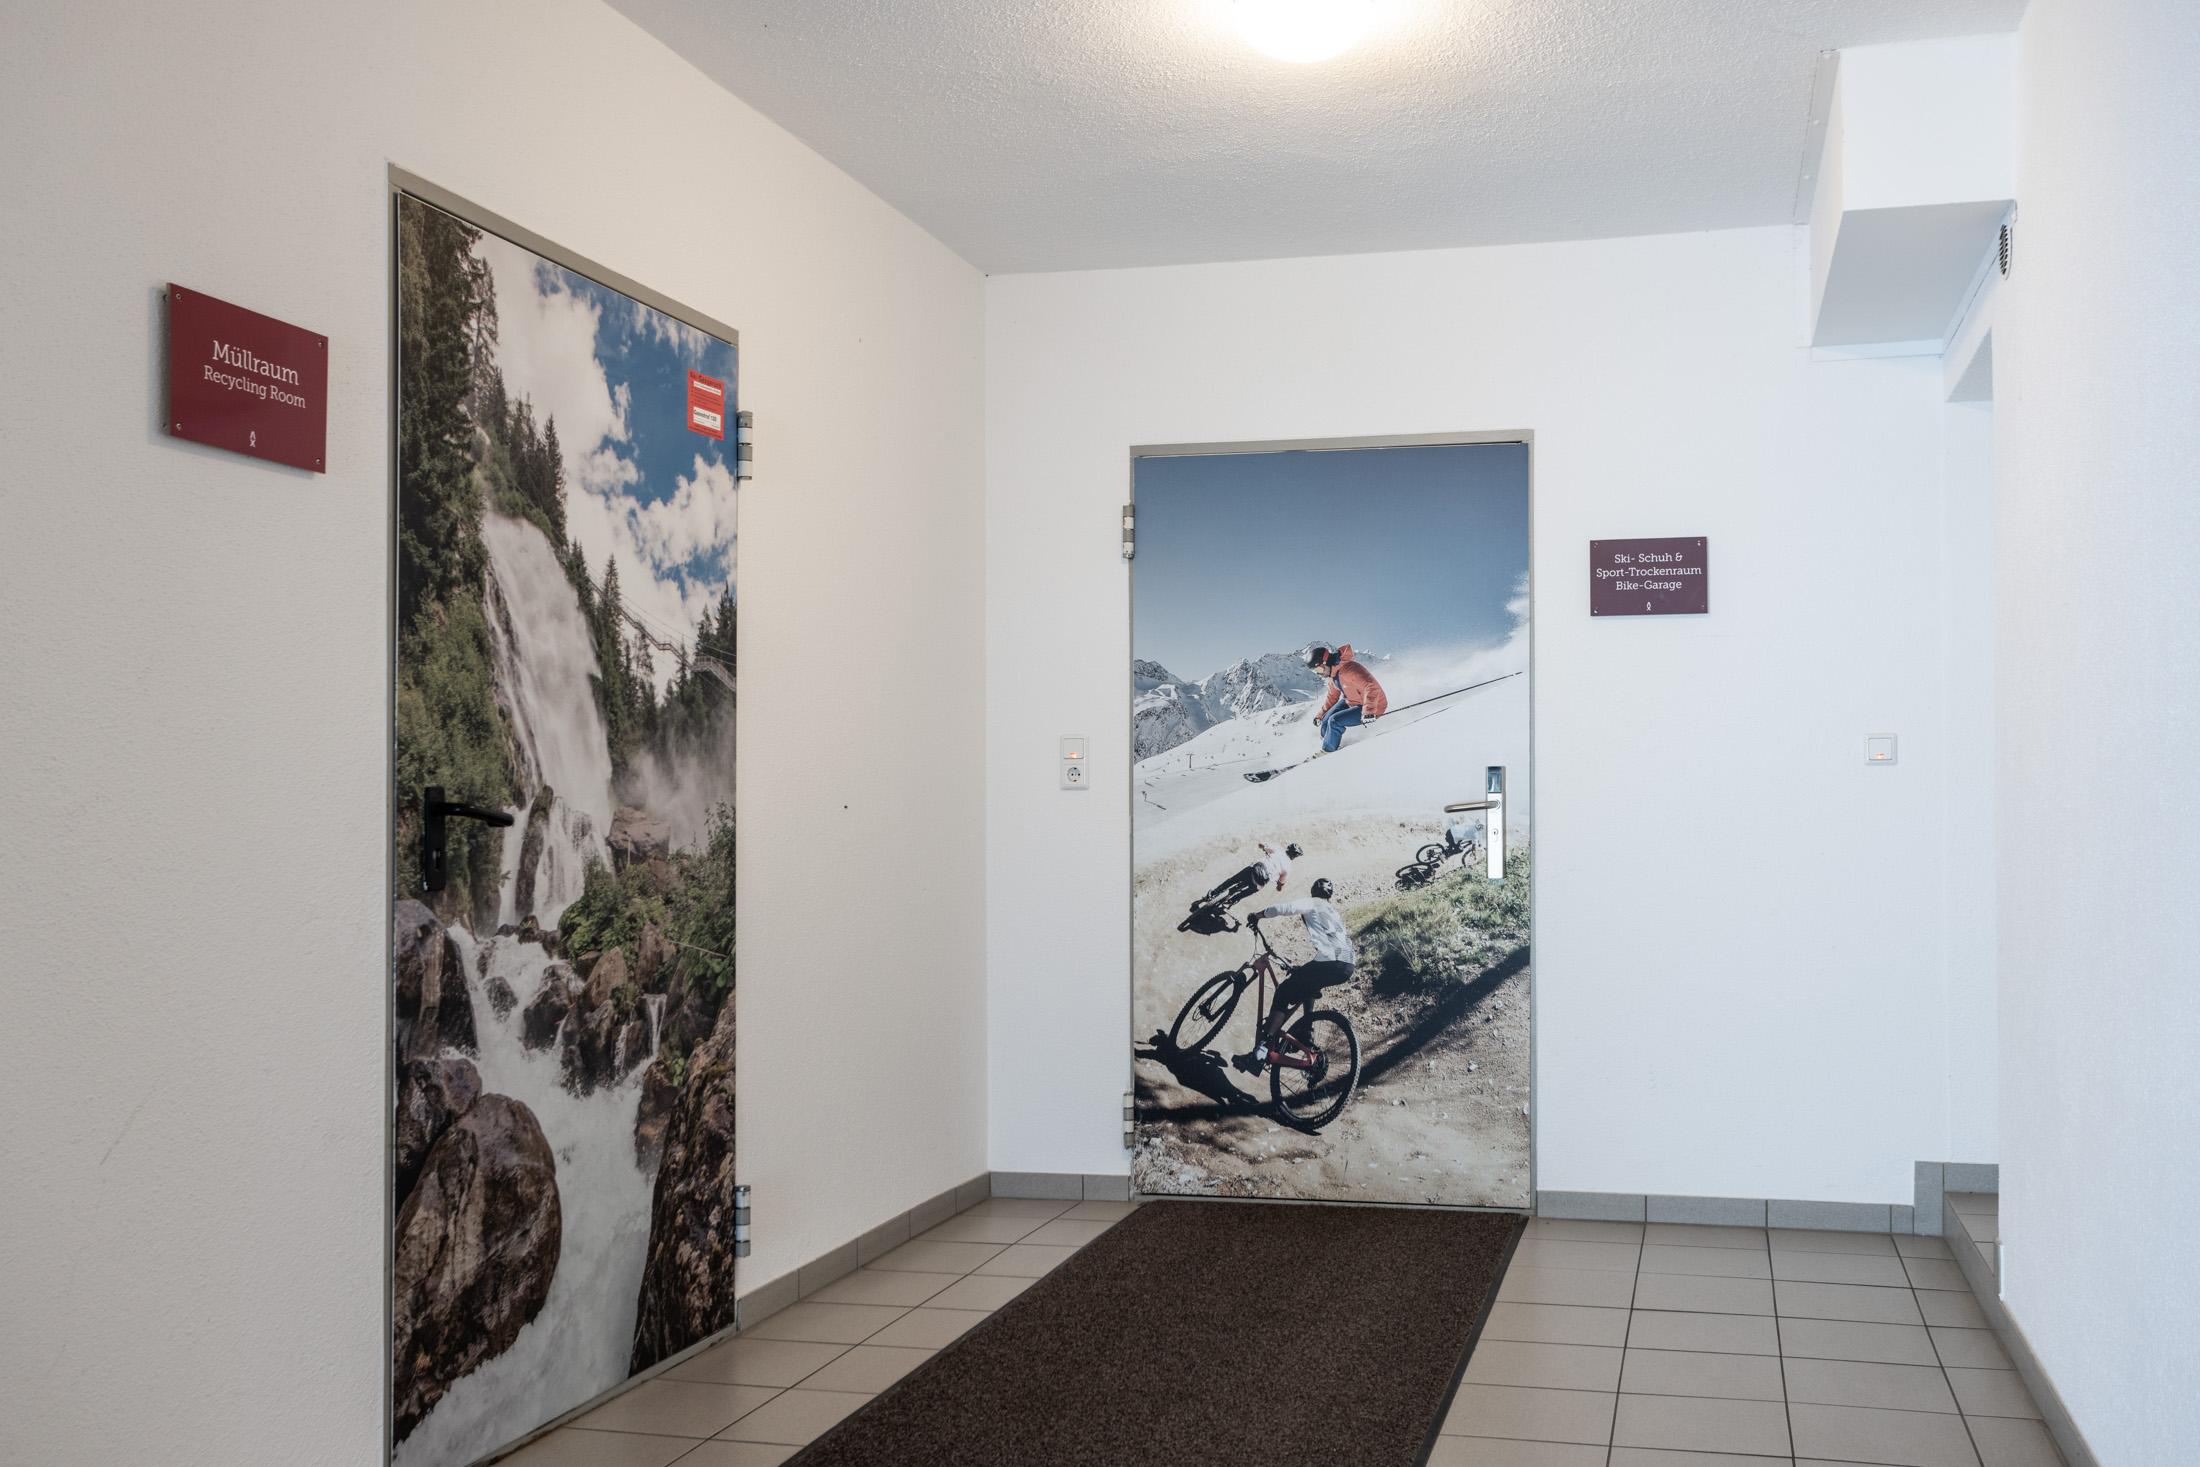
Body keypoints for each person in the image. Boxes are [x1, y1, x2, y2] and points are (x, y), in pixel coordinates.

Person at [1238, 877, 1356, 1070]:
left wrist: (1257, 915)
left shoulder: (1313, 902)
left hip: (1330, 961)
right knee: (1308, 984)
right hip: (1348, 964)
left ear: (1313, 892)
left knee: (1283, 992)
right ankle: (1306, 1032)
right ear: (1330, 896)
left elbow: (1284, 908)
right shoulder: (1333, 912)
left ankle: (1260, 1051)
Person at [1307, 644, 1387, 756]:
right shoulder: (1332, 674)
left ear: (1326, 662)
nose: (1320, 674)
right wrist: (1320, 715)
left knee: (1334, 721)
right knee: (1325, 721)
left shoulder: (1350, 670)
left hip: (1373, 705)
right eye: (1315, 671)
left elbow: (1371, 687)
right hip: (1352, 700)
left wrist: (1369, 711)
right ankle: (1328, 741)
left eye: (1319, 669)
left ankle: (1328, 751)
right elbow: (1332, 697)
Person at [1190, 839, 1302, 914]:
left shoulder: (1277, 849)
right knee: (1247, 892)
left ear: (1287, 848)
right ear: (1295, 857)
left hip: (1253, 869)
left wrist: (1263, 847)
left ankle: (1213, 893)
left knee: (1232, 880)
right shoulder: (1288, 868)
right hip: (1260, 881)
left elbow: (1261, 844)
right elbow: (1281, 884)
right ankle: (1230, 901)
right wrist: (1278, 887)